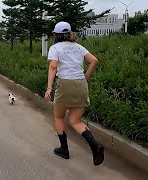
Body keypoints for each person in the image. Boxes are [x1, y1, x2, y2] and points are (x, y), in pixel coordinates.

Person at [44, 21, 104, 166]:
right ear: (69, 33)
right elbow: (94, 60)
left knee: (59, 117)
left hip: (65, 83)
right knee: (75, 121)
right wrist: (85, 78)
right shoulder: (79, 47)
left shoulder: (55, 48)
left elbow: (53, 67)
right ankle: (94, 145)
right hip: (81, 84)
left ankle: (64, 149)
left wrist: (49, 88)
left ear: (56, 35)